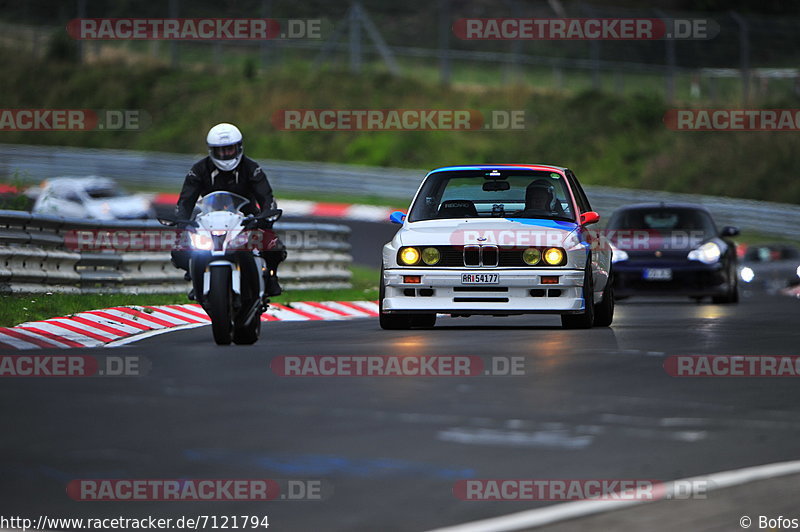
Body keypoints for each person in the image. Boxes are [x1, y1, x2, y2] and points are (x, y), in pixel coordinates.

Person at [171, 122, 286, 296]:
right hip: (210, 220)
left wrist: (265, 217)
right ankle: (197, 276)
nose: (224, 154)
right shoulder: (198, 170)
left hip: (247, 219)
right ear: (211, 151)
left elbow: (266, 197)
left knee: (273, 245)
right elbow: (185, 201)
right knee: (180, 249)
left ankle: (271, 277)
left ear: (239, 147)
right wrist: (182, 222)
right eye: (220, 150)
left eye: (229, 149)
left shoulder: (252, 168)